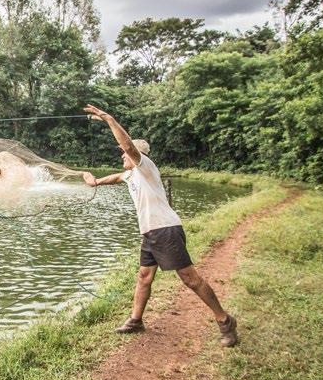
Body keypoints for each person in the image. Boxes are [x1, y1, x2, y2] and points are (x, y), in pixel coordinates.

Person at [81, 104, 238, 347]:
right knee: (144, 276)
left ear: (137, 157)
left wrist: (108, 119)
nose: (122, 156)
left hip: (165, 229)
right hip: (150, 232)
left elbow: (128, 147)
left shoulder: (145, 168)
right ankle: (136, 320)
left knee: (190, 279)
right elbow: (115, 177)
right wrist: (96, 182)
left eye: (124, 154)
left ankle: (225, 320)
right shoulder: (131, 174)